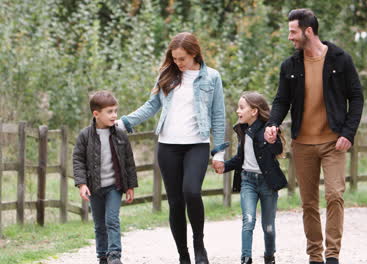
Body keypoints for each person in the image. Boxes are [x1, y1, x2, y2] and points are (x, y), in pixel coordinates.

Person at [264, 9, 364, 264]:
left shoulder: (340, 59)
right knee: (309, 204)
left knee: (334, 195)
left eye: (293, 32)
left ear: (308, 31)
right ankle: (315, 257)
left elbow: (356, 98)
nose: (290, 37)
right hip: (303, 145)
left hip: (334, 143)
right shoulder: (290, 65)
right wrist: (273, 123)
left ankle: (332, 256)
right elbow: (281, 100)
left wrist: (348, 133)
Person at [116, 32, 226, 264]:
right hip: (168, 147)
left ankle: (199, 246)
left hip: (197, 145)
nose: (178, 63)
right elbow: (151, 106)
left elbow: (218, 115)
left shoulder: (212, 77)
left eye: (182, 58)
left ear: (194, 54)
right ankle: (183, 255)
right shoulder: (166, 75)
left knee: (192, 192)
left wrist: (220, 152)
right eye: (174, 58)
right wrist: (124, 123)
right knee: (175, 201)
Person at [215, 92, 287, 264]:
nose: (238, 111)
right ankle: (245, 258)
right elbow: (241, 158)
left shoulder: (267, 130)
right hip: (248, 181)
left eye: (241, 108)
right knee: (248, 220)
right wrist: (224, 166)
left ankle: (269, 257)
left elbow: (277, 150)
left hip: (267, 184)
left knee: (268, 227)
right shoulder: (243, 130)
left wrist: (272, 140)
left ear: (254, 111)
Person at [73, 91, 138, 264]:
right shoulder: (85, 136)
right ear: (96, 114)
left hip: (114, 187)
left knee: (112, 220)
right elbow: (78, 160)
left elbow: (129, 162)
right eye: (110, 112)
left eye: (115, 111)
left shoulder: (120, 135)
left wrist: (130, 186)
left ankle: (114, 255)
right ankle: (102, 256)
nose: (114, 115)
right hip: (94, 188)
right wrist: (81, 184)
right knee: (99, 224)